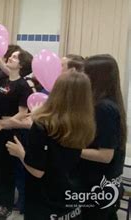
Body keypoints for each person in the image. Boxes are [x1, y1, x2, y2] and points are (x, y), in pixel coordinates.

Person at [6, 70, 96, 219]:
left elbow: (37, 171)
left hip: (44, 199)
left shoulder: (42, 125)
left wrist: (20, 152)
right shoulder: (84, 124)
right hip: (71, 196)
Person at [75, 54, 126, 219]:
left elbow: (105, 155)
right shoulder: (106, 104)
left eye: (85, 73)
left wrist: (70, 149)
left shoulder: (104, 108)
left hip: (98, 186)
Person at [0, 49, 33, 219]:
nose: (10, 58)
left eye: (14, 57)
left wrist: (3, 125)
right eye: (11, 56)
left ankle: (7, 205)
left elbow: (22, 113)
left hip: (10, 132)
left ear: (21, 65)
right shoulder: (3, 81)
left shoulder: (23, 85)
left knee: (7, 170)